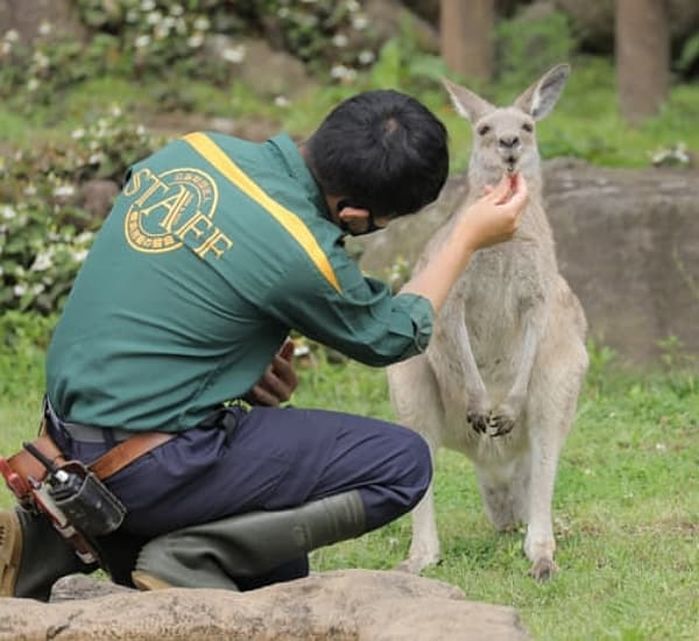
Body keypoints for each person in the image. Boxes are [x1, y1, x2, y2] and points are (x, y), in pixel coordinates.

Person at [0, 89, 527, 600]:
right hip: (147, 463)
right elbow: (393, 333)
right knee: (402, 462)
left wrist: (231, 359)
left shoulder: (193, 151)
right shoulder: (300, 250)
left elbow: (167, 282)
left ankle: (53, 545)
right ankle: (187, 557)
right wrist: (465, 237)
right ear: (355, 216)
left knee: (279, 571)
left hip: (64, 436)